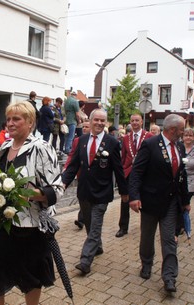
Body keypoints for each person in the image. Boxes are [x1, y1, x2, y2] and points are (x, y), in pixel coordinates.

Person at [0, 101, 64, 305]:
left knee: (31, 277)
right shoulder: (4, 147)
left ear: (30, 122)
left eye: (16, 119)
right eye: (9, 118)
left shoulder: (41, 148)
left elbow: (56, 189)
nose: (10, 123)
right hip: (2, 225)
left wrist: (26, 194)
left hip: (30, 228)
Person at [62, 109, 128, 275]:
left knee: (96, 225)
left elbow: (118, 169)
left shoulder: (112, 142)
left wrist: (125, 192)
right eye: (96, 120)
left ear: (105, 123)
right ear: (90, 121)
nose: (99, 123)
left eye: (102, 120)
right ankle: (97, 247)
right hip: (84, 191)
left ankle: (85, 261)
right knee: (90, 225)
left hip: (102, 192)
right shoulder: (81, 140)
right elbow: (73, 166)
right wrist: (62, 183)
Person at [129, 114, 188, 293]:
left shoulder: (179, 146)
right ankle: (146, 263)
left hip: (171, 202)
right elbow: (137, 172)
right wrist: (134, 196)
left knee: (169, 239)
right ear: (172, 130)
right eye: (181, 130)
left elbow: (181, 176)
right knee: (147, 236)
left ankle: (169, 277)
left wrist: (185, 201)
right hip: (151, 200)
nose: (183, 134)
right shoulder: (150, 144)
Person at [116, 114, 152, 238]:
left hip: (144, 174)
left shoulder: (149, 136)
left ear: (142, 122)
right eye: (132, 121)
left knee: (144, 201)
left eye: (137, 120)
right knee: (125, 201)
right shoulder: (126, 138)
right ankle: (123, 227)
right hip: (128, 172)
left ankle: (145, 228)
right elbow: (124, 157)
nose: (135, 123)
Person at [63, 120, 90, 229]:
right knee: (82, 196)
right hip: (81, 173)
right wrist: (66, 167)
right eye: (83, 127)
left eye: (87, 127)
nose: (84, 129)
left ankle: (83, 219)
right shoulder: (77, 140)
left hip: (93, 175)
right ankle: (82, 219)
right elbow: (72, 155)